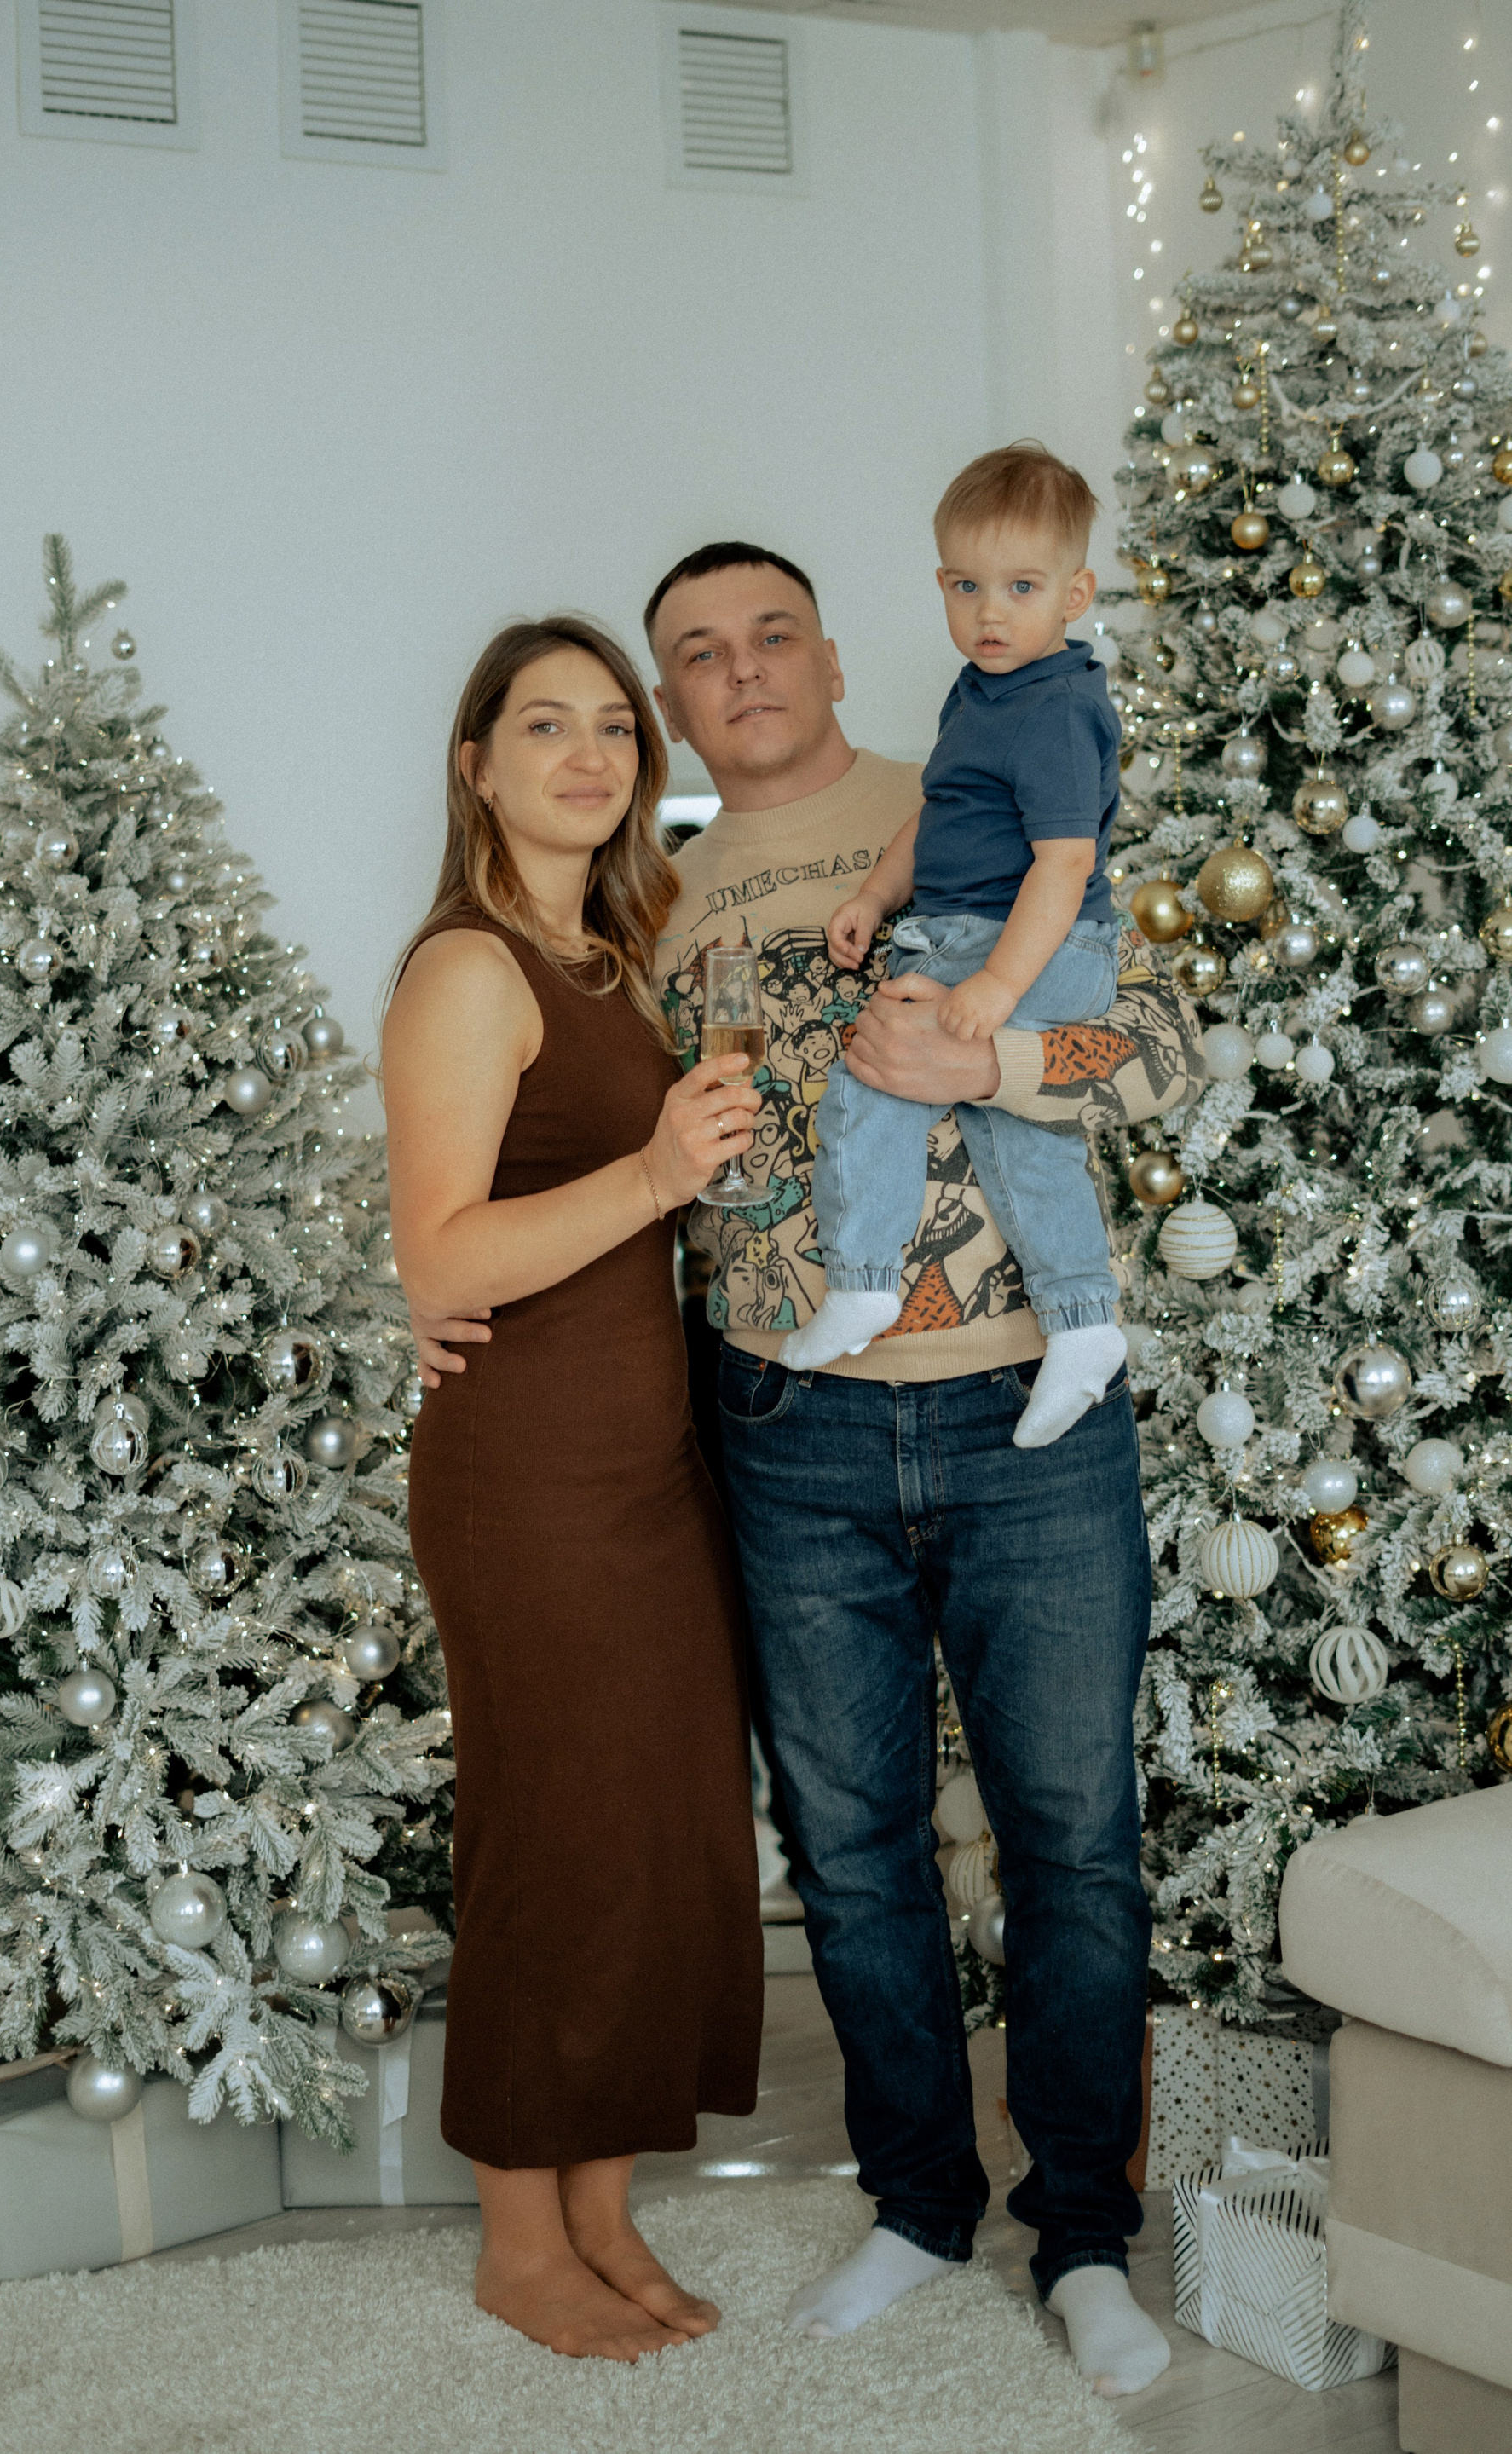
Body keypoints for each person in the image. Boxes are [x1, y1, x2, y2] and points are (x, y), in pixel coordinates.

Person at [415, 548, 1202, 2398]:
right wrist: (442, 1299)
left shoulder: (979, 803)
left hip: (1026, 1408)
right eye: (696, 655)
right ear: (671, 708)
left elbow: (1165, 1046)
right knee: (851, 1853)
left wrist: (996, 1055)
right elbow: (552, 1149)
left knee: (1074, 1840)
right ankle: (918, 2202)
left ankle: (1085, 2233)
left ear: (837, 655)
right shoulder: (639, 904)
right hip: (782, 1427)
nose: (742, 669)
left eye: (773, 633)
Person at [382, 614, 765, 2365]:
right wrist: (660, 1169)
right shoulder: (472, 968)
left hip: (647, 1467)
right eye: (546, 724)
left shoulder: (615, 957)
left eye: (615, 724)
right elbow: (443, 1259)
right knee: (552, 1840)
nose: (591, 752)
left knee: (650, 1837)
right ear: (477, 764)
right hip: (526, 1474)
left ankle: (604, 2206)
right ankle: (519, 2239)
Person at [781, 445, 1128, 1452]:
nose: (990, 612)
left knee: (875, 1077)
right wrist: (875, 893)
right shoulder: (979, 691)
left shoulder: (1056, 709)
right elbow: (940, 810)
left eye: (1021, 588)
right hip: (971, 929)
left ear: (1074, 594)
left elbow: (1064, 863)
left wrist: (998, 984)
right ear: (941, 583)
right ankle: (1084, 1321)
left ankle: (863, 1281)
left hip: (1028, 939)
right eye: (967, 586)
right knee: (1014, 1129)